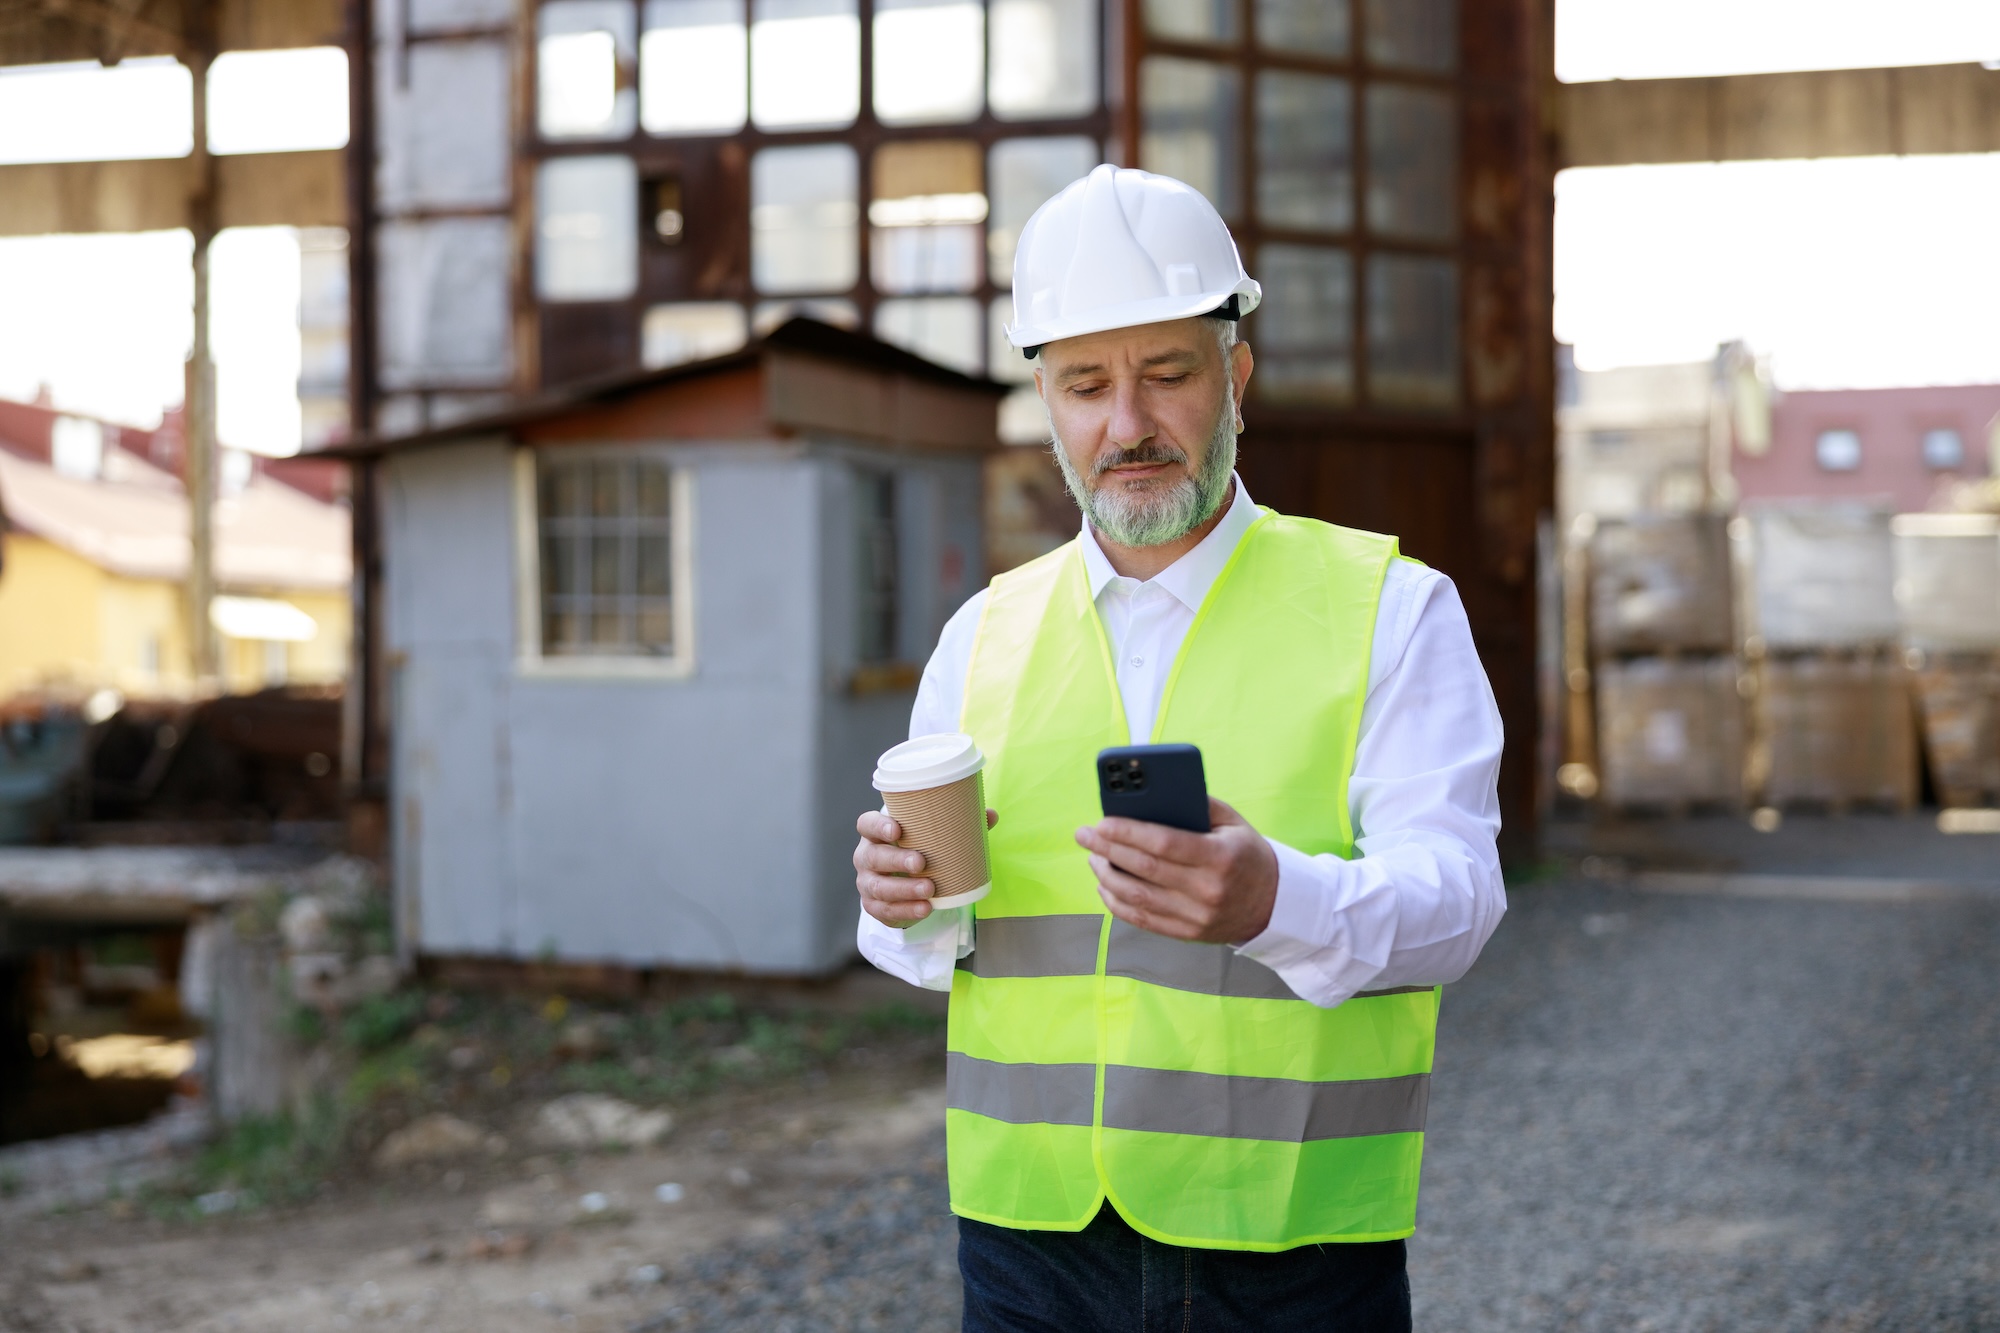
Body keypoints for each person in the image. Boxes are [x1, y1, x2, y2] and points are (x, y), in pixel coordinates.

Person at [852, 164, 1506, 1332]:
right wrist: (897, 902)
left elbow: (1458, 904)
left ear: (1235, 374)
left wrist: (1273, 899)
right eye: (1084, 385)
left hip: (1288, 1239)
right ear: (1043, 400)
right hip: (1029, 1244)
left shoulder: (1389, 609)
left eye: (1166, 374)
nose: (1126, 425)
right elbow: (931, 945)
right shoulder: (981, 635)